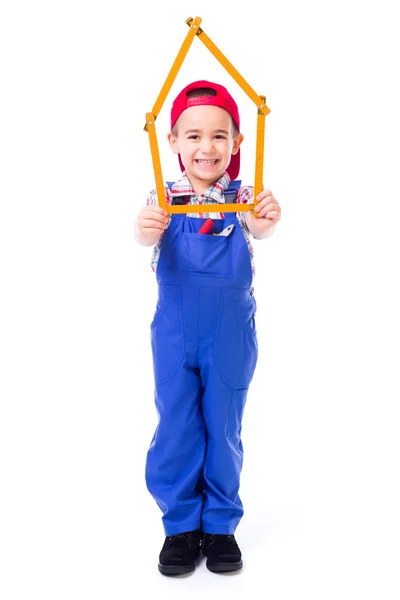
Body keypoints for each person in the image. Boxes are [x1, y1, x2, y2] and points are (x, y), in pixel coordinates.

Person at [134, 80, 281, 575]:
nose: (206, 147)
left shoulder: (245, 196)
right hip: (174, 334)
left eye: (219, 136)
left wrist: (266, 219)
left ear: (238, 143)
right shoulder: (164, 194)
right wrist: (142, 229)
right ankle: (180, 528)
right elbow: (142, 234)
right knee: (176, 425)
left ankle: (219, 527)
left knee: (223, 426)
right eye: (193, 136)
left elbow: (260, 228)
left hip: (230, 333)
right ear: (172, 141)